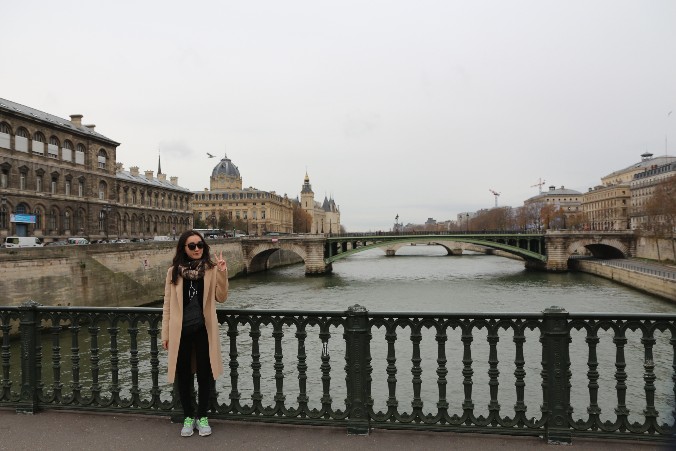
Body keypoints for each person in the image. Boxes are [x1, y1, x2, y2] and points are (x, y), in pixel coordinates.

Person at [162, 230, 228, 437]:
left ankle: (203, 416)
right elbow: (167, 305)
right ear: (184, 248)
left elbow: (221, 297)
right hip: (180, 331)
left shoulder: (210, 269)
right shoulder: (173, 272)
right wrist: (165, 334)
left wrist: (222, 272)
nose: (197, 248)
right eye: (192, 246)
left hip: (203, 330)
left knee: (204, 373)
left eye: (200, 245)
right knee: (183, 374)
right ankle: (188, 417)